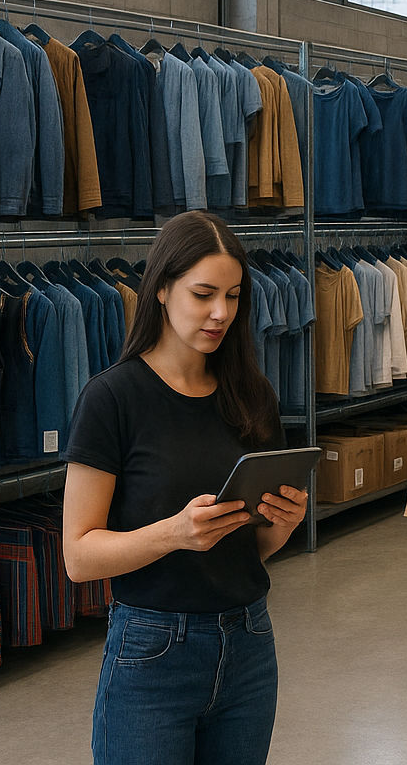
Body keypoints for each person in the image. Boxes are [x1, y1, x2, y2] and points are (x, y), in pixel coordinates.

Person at [61, 211, 307, 765]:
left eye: (234, 296)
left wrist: (281, 526)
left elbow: (251, 547)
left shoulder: (253, 397)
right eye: (203, 294)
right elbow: (78, 556)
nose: (221, 313)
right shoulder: (112, 400)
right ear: (163, 289)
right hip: (152, 651)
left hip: (249, 641)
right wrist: (173, 533)